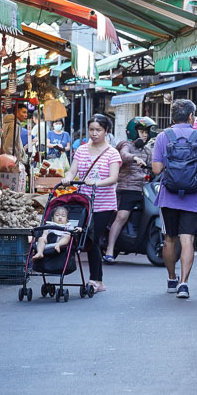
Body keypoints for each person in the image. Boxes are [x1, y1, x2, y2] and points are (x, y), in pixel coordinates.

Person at [151, 99, 197, 299]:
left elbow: (156, 169)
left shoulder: (163, 137)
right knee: (188, 240)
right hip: (193, 196)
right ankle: (183, 284)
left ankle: (171, 278)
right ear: (190, 117)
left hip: (168, 196)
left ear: (172, 117)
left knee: (169, 239)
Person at [61, 114, 120, 292]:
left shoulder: (112, 153)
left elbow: (113, 177)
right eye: (92, 130)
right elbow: (73, 171)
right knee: (79, 236)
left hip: (104, 204)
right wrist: (67, 178)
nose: (94, 134)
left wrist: (97, 183)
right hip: (84, 202)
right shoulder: (82, 150)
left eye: (98, 130)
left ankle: (97, 280)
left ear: (106, 131)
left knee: (92, 238)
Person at [104, 117, 156, 263]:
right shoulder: (125, 144)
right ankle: (109, 249)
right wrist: (134, 158)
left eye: (146, 132)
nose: (144, 135)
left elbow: (154, 166)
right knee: (122, 217)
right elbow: (123, 155)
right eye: (141, 131)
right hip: (128, 188)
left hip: (145, 189)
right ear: (133, 132)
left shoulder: (147, 150)